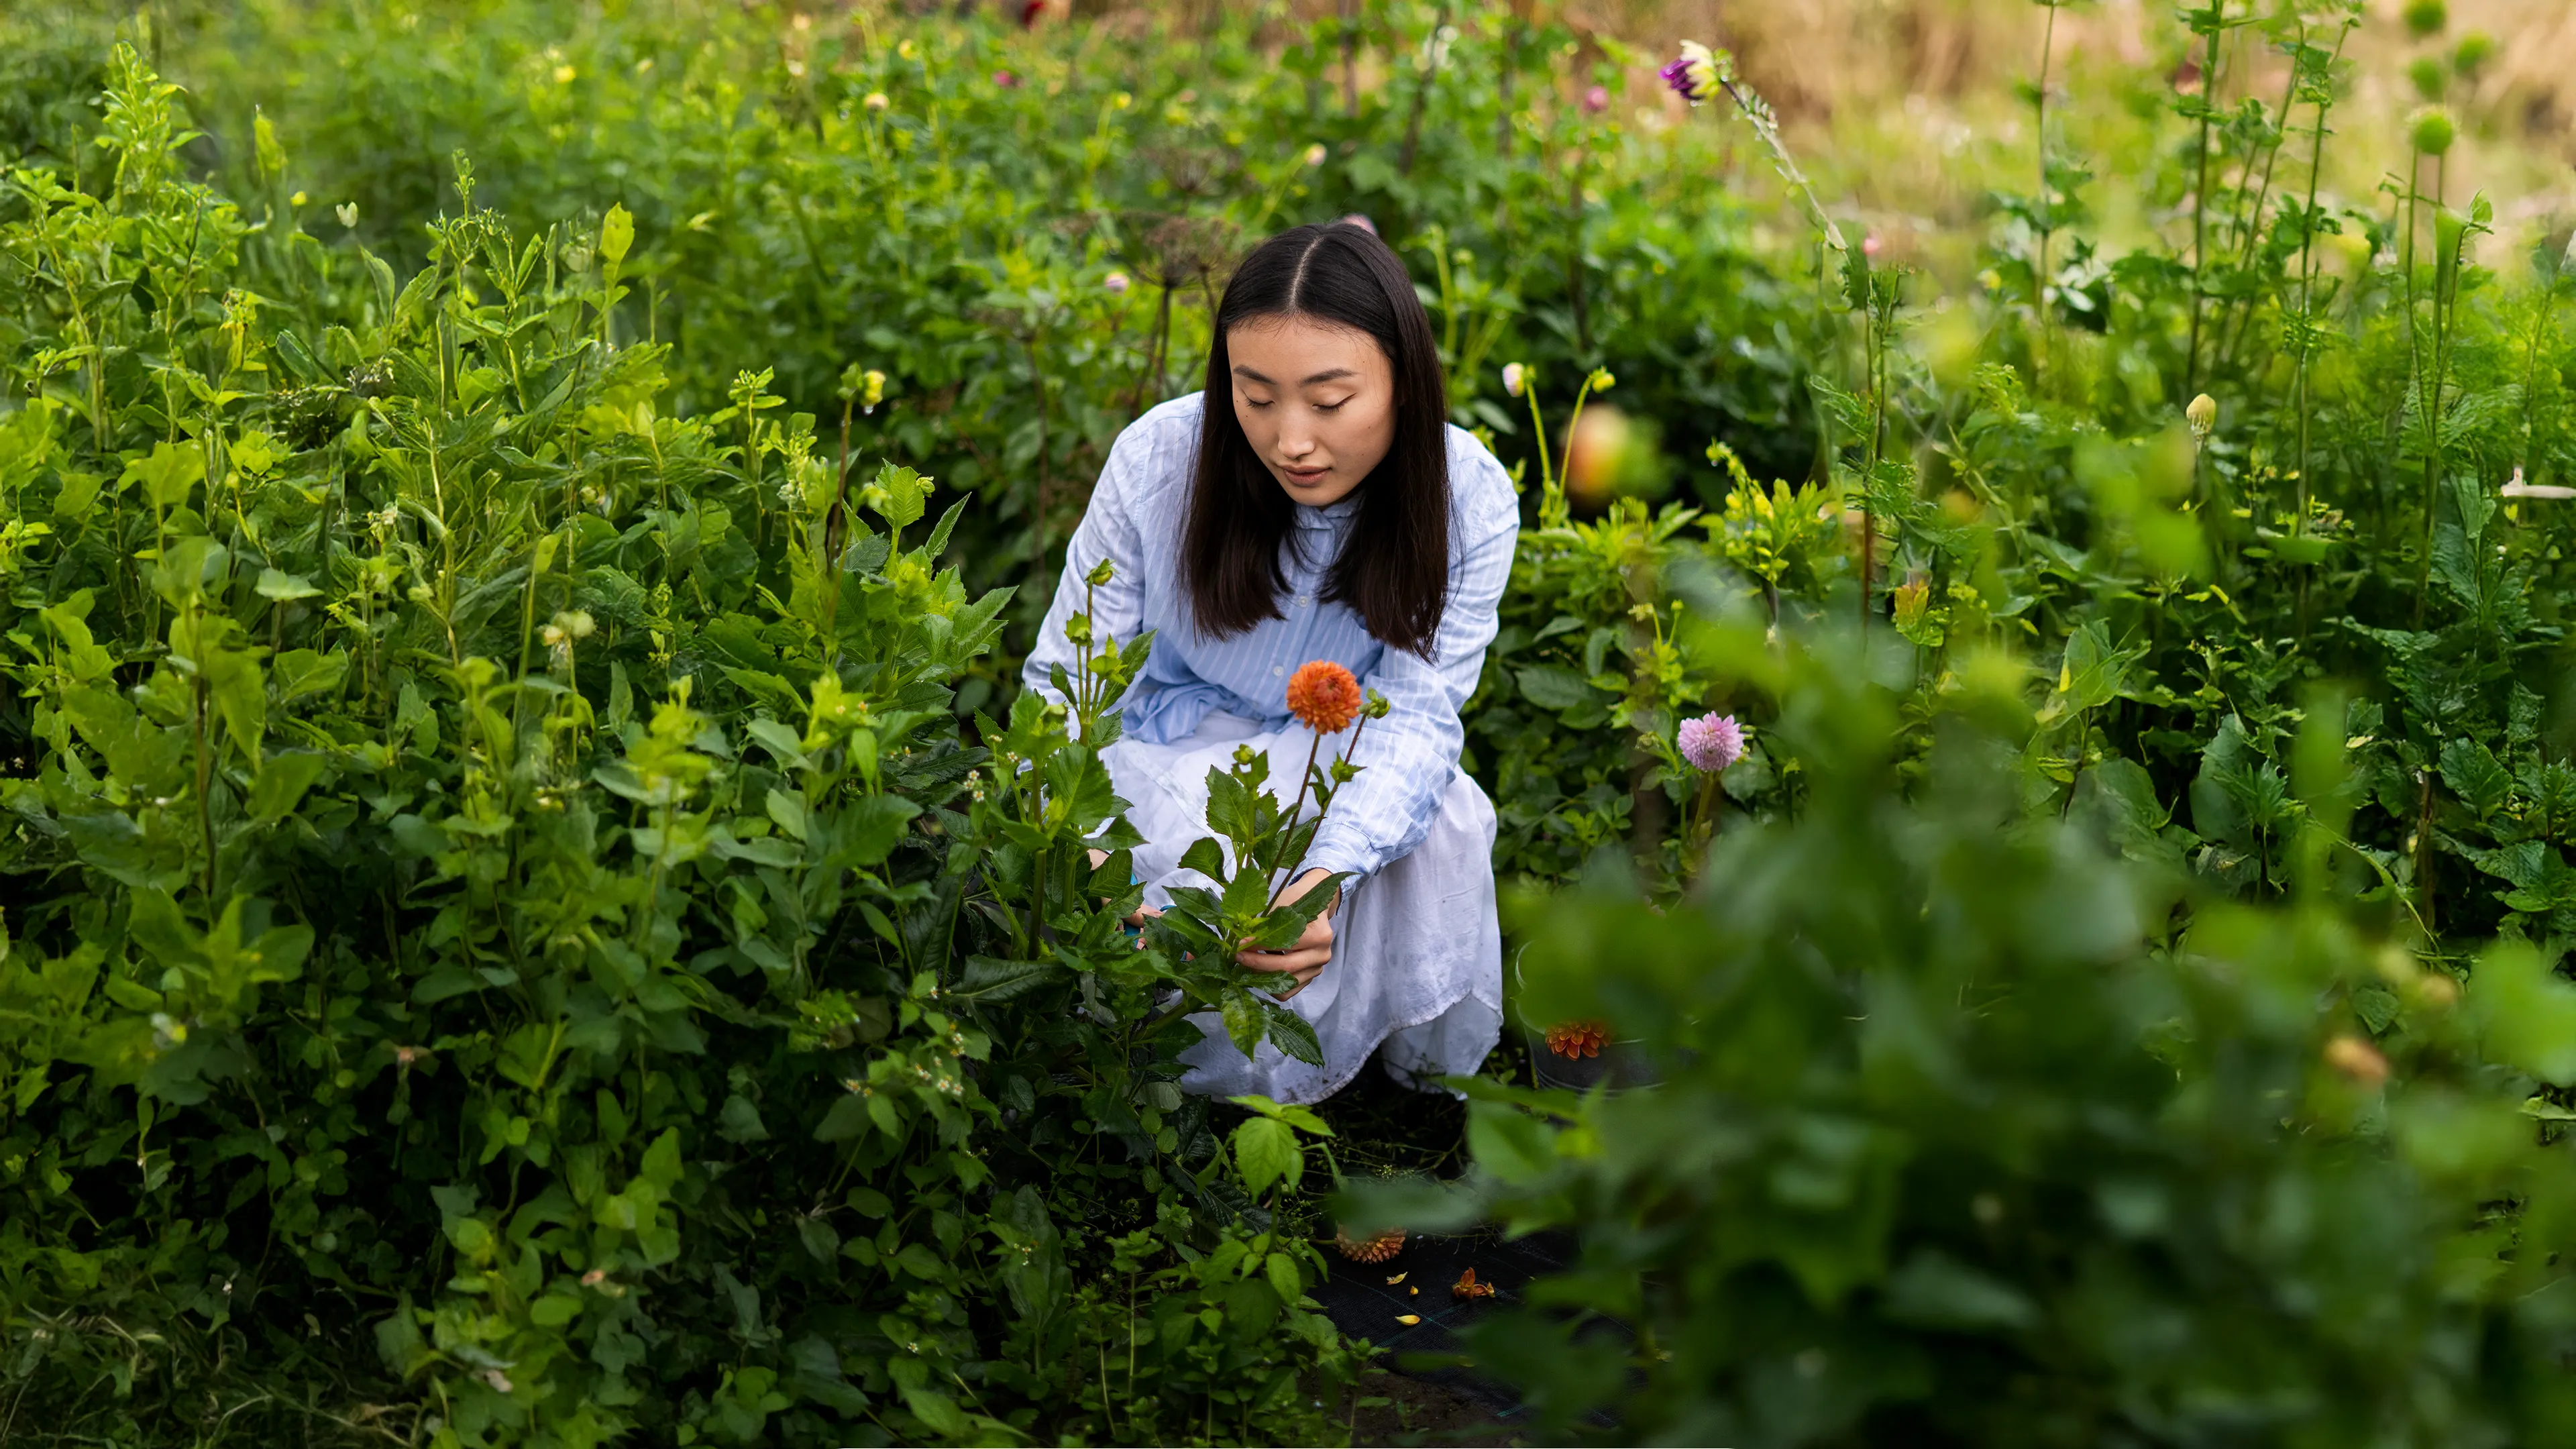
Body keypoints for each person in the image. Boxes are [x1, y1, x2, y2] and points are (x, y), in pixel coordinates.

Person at [1023, 222, 1518, 1106]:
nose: (1291, 440)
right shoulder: (1163, 460)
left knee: (1440, 821)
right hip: (1175, 735)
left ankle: (1378, 1076)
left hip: (1345, 746)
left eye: (1330, 404)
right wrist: (1083, 851)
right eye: (1256, 398)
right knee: (1163, 858)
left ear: (1406, 381)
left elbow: (1413, 717)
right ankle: (1174, 1098)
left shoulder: (1464, 493)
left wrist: (1326, 879)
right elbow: (1065, 677)